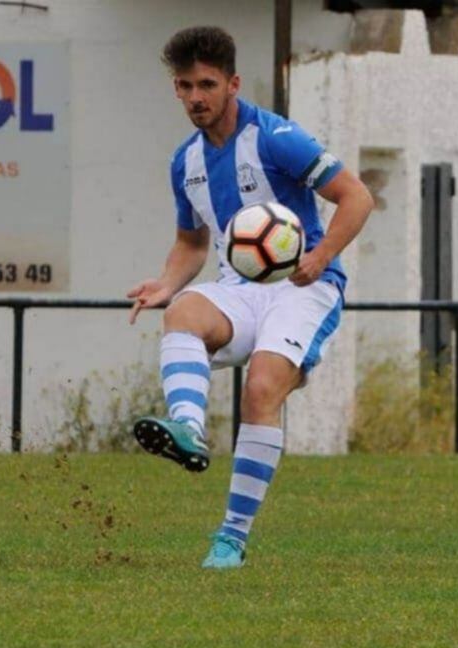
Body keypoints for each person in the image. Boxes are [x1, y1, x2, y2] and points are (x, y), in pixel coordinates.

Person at [127, 26, 373, 569]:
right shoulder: (184, 162)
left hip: (304, 288)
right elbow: (191, 242)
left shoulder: (277, 138)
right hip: (241, 288)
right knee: (183, 311)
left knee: (261, 389)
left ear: (233, 83)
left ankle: (231, 538)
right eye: (186, 86)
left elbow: (357, 196)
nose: (197, 97)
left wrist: (321, 253)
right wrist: (168, 283)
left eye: (207, 85)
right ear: (176, 89)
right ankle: (188, 429)